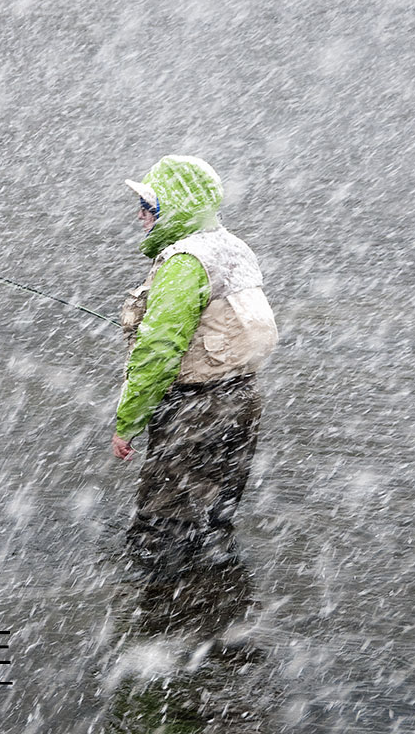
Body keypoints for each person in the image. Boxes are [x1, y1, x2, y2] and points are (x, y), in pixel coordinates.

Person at [111, 155, 277, 566]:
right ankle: (217, 606)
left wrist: (127, 423)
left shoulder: (184, 262)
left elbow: (159, 350)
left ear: (175, 207)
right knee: (215, 517)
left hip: (194, 408)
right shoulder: (234, 247)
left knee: (161, 528)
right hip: (244, 399)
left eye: (149, 207)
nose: (140, 215)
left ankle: (154, 615)